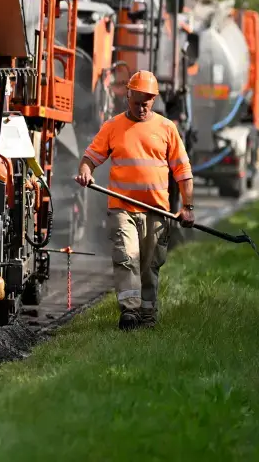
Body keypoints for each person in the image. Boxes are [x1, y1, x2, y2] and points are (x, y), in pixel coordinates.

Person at [74, 69, 195, 332]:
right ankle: (129, 311)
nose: (141, 107)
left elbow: (183, 171)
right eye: (137, 101)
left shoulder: (166, 128)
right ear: (128, 96)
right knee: (126, 257)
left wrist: (187, 207)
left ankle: (148, 315)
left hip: (157, 211)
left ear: (154, 100)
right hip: (122, 208)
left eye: (147, 102)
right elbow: (90, 157)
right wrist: (85, 171)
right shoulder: (113, 126)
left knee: (150, 265)